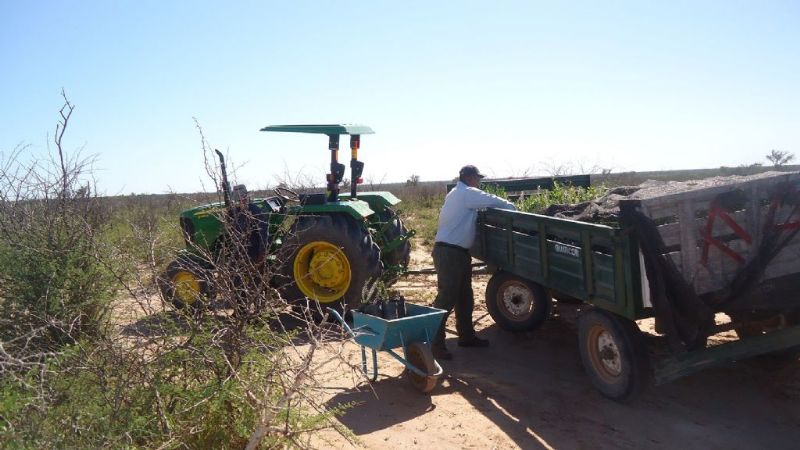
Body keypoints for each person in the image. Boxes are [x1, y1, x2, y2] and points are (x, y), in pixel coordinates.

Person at [432, 165, 516, 360]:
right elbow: (493, 201)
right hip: (449, 253)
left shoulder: (456, 193)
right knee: (446, 299)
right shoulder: (467, 193)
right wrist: (512, 207)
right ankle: (436, 344)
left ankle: (466, 336)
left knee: (465, 297)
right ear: (469, 178)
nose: (479, 181)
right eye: (477, 178)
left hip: (456, 252)